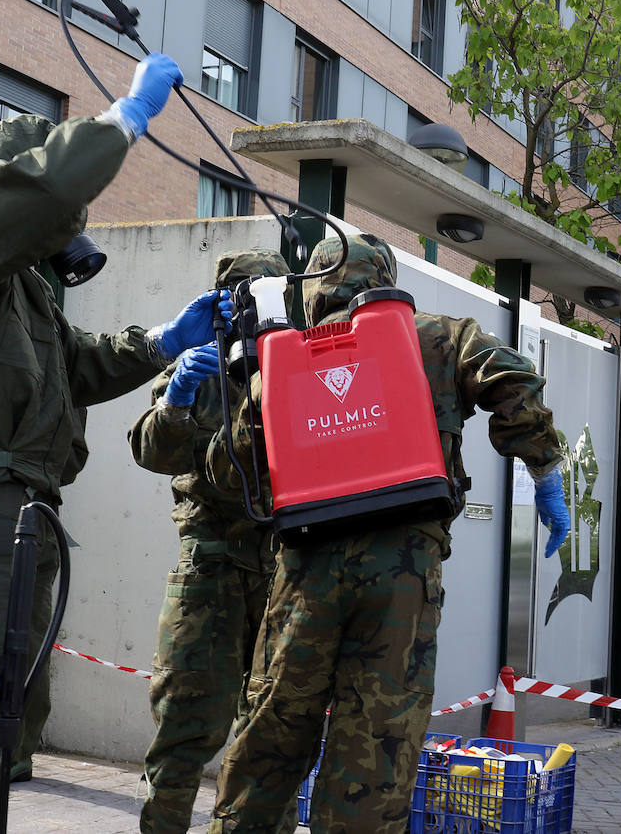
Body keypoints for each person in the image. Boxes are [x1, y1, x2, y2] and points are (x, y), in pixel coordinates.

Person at [0, 53, 232, 834]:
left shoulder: (23, 288)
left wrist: (163, 342)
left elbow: (76, 365)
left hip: (16, 516)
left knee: (8, 718)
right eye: (53, 224)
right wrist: (122, 120)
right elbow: (47, 189)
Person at [204, 234, 569, 833]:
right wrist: (543, 467)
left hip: (305, 571)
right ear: (385, 279)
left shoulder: (283, 356)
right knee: (376, 745)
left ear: (315, 288)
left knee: (272, 733)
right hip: (404, 573)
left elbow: (230, 472)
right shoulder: (441, 335)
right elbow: (512, 380)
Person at [129, 249, 295, 834]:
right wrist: (175, 399)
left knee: (272, 727)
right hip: (211, 564)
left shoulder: (298, 365)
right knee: (185, 717)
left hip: (282, 566)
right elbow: (151, 452)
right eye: (240, 298)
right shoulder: (200, 367)